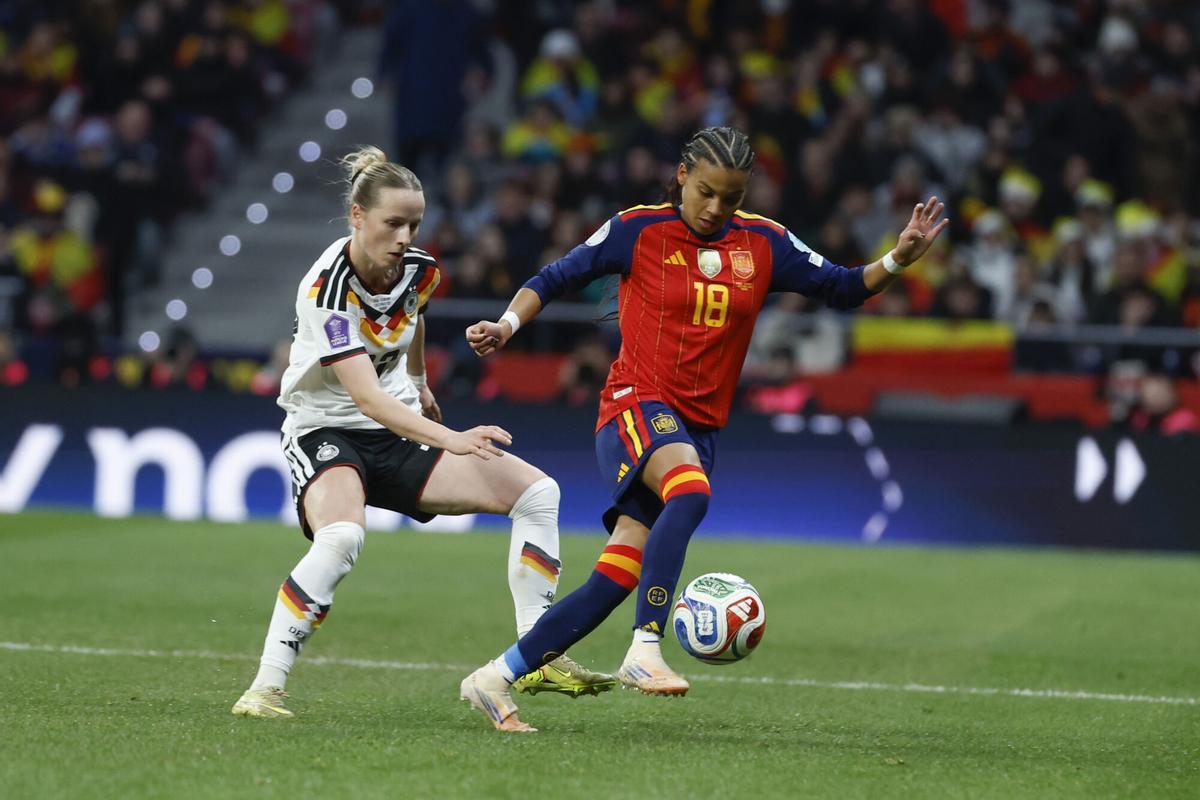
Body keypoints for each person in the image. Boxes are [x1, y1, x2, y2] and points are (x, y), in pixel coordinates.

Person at [460, 127, 947, 731]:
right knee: (689, 492)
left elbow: (843, 287)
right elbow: (555, 276)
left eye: (732, 198)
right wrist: (507, 326)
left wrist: (898, 256)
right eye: (708, 192)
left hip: (699, 427)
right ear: (683, 176)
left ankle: (493, 677)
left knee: (615, 577)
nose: (717, 208)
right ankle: (644, 648)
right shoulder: (638, 229)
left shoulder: (765, 242)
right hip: (635, 404)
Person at [231, 146, 614, 718]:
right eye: (392, 223)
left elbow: (412, 313)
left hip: (398, 428)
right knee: (341, 539)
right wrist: (451, 437)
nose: (404, 236)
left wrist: (419, 377)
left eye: (413, 224)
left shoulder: (420, 267)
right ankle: (263, 688)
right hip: (327, 430)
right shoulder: (325, 290)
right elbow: (364, 397)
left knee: (538, 494)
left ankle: (537, 654)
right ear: (357, 218)